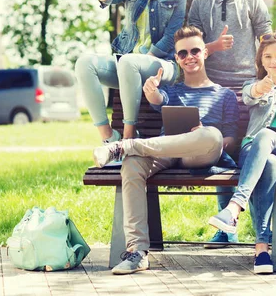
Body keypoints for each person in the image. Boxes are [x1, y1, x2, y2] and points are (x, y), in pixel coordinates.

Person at [92, 26, 239, 275]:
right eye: (182, 54)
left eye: (194, 51)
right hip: (166, 153)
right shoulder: (172, 91)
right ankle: (137, 252)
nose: (189, 57)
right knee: (132, 164)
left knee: (210, 133)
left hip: (203, 154)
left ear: (205, 52)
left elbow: (231, 139)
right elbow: (159, 100)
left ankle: (125, 146)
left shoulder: (223, 95)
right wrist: (151, 93)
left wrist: (202, 137)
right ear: (178, 60)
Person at [188, 0, 272, 247]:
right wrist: (212, 46)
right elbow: (192, 49)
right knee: (220, 150)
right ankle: (226, 227)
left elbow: (267, 38)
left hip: (249, 84)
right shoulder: (200, 3)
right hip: (214, 87)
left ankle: (261, 227)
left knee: (250, 150)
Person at [208, 32, 276, 274]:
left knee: (266, 135)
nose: (274, 61)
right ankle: (261, 250)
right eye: (268, 56)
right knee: (269, 164)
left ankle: (234, 207)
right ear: (261, 60)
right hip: (253, 150)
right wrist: (261, 87)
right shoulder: (253, 85)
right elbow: (249, 95)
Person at [76, 0, 187, 143]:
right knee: (85, 63)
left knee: (128, 61)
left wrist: (142, 60)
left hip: (164, 65)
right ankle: (109, 138)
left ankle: (128, 138)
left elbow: (172, 36)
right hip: (128, 67)